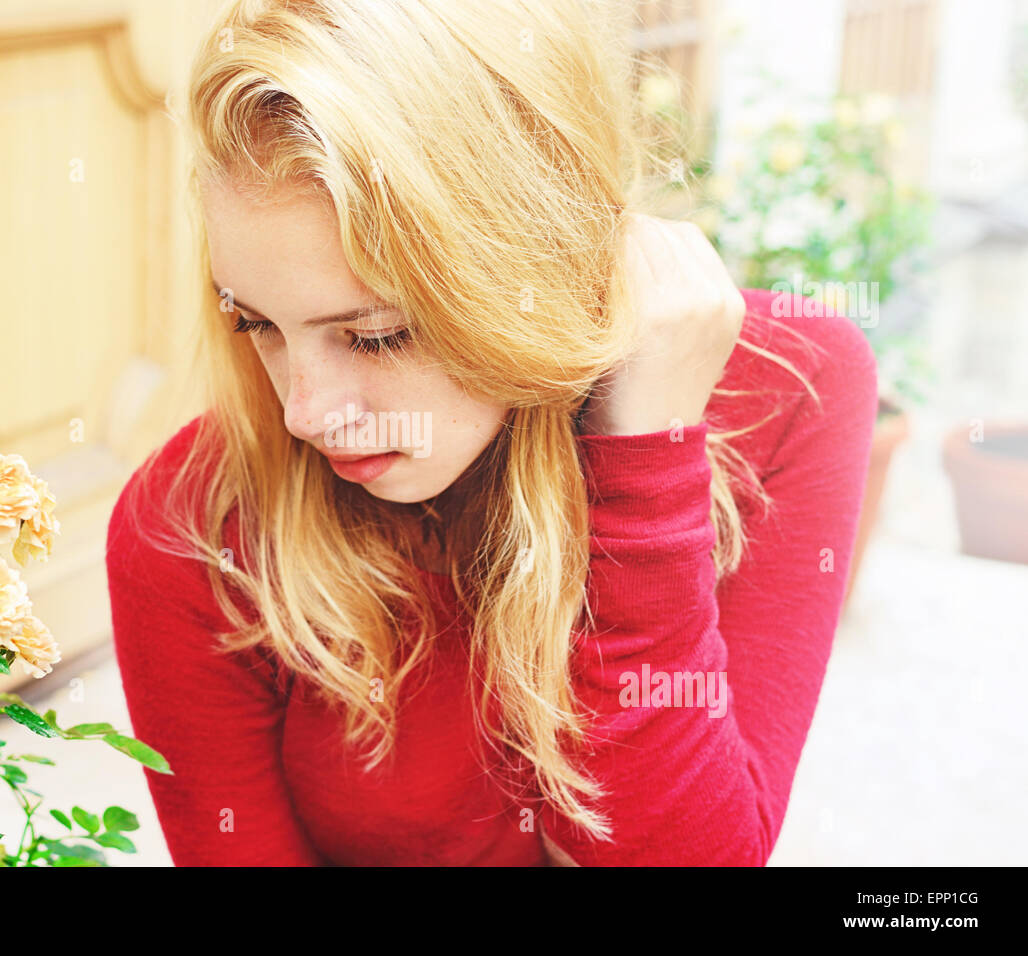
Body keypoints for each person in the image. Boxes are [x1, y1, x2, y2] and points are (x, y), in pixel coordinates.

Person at [106, 0, 877, 865]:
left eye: (376, 334)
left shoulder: (788, 387)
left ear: (536, 261)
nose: (305, 413)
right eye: (259, 325)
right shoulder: (188, 524)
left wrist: (647, 453)